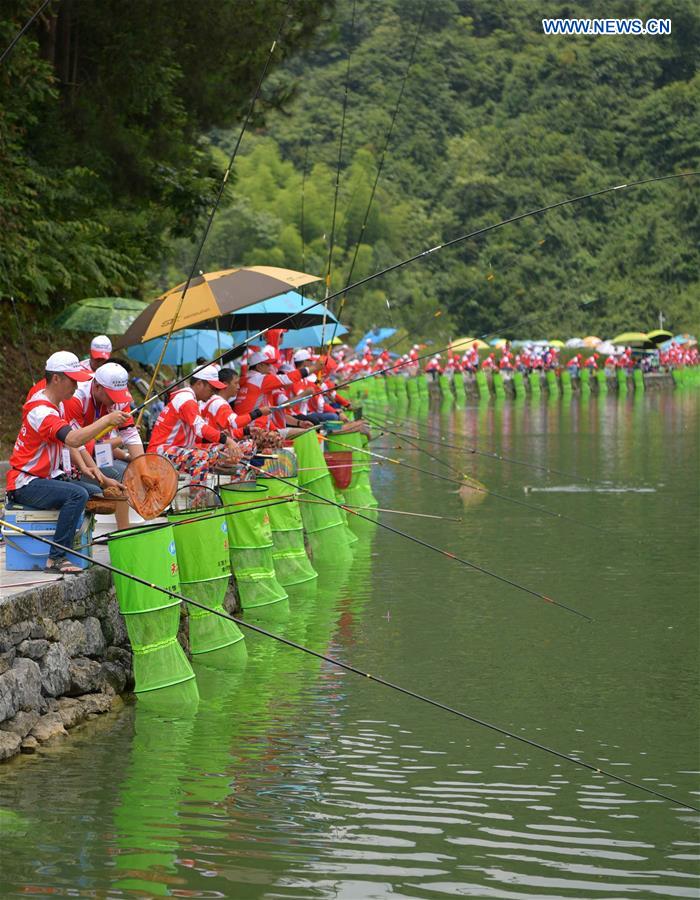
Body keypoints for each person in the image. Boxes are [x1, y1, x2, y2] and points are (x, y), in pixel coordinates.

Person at [6, 351, 129, 574]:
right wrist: (106, 421)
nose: (76, 386)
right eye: (73, 380)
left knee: (93, 491)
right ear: (56, 378)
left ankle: (77, 545)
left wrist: (100, 477)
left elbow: (72, 445)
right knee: (77, 495)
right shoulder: (41, 412)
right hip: (25, 482)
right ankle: (56, 558)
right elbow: (73, 438)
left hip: (46, 477)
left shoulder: (58, 404)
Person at [62, 362, 144, 529]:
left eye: (119, 396)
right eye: (112, 396)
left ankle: (124, 530)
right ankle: (122, 529)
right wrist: (101, 477)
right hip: (68, 453)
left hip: (93, 452)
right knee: (117, 476)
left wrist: (143, 470)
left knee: (131, 472)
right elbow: (74, 443)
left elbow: (130, 434)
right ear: (97, 386)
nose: (116, 401)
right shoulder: (76, 398)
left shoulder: (119, 399)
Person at [147, 364, 242, 486]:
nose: (214, 393)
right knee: (200, 457)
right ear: (199, 384)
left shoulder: (189, 398)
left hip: (172, 450)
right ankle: (197, 494)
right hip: (159, 452)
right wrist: (227, 440)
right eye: (212, 389)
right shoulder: (187, 400)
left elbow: (195, 436)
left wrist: (219, 439)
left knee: (215, 454)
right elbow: (201, 429)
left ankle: (216, 484)